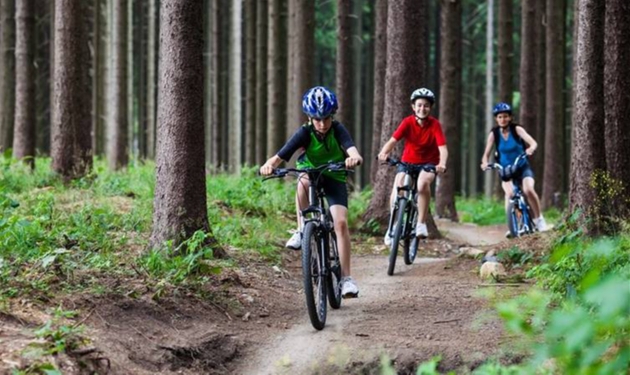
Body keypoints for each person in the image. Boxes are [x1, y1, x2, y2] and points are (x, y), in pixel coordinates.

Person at [260, 86, 363, 298]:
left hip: (334, 175)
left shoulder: (338, 130)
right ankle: (301, 230)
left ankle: (346, 279)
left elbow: (352, 149)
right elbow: (281, 155)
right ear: (309, 117)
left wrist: (354, 158)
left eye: (326, 118)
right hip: (310, 173)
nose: (322, 124)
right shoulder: (304, 132)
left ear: (332, 116)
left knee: (340, 223)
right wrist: (268, 165)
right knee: (303, 181)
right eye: (317, 119)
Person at [377, 88, 448, 245]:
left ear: (430, 108)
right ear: (413, 107)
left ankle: (421, 224)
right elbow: (393, 140)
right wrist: (383, 153)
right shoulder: (407, 122)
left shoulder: (435, 125)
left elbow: (442, 148)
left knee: (422, 184)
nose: (423, 109)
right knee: (398, 187)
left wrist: (442, 164)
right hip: (408, 161)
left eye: (426, 106)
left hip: (429, 163)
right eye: (419, 105)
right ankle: (393, 227)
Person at [480, 102, 547, 234]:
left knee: (528, 189)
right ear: (496, 119)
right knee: (510, 194)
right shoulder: (494, 134)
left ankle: (539, 219)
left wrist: (531, 148)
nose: (502, 119)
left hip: (522, 167)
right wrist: (484, 163)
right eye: (499, 117)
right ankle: (513, 224)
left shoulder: (517, 130)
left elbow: (533, 142)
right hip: (505, 171)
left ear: (510, 117)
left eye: (505, 116)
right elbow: (486, 153)